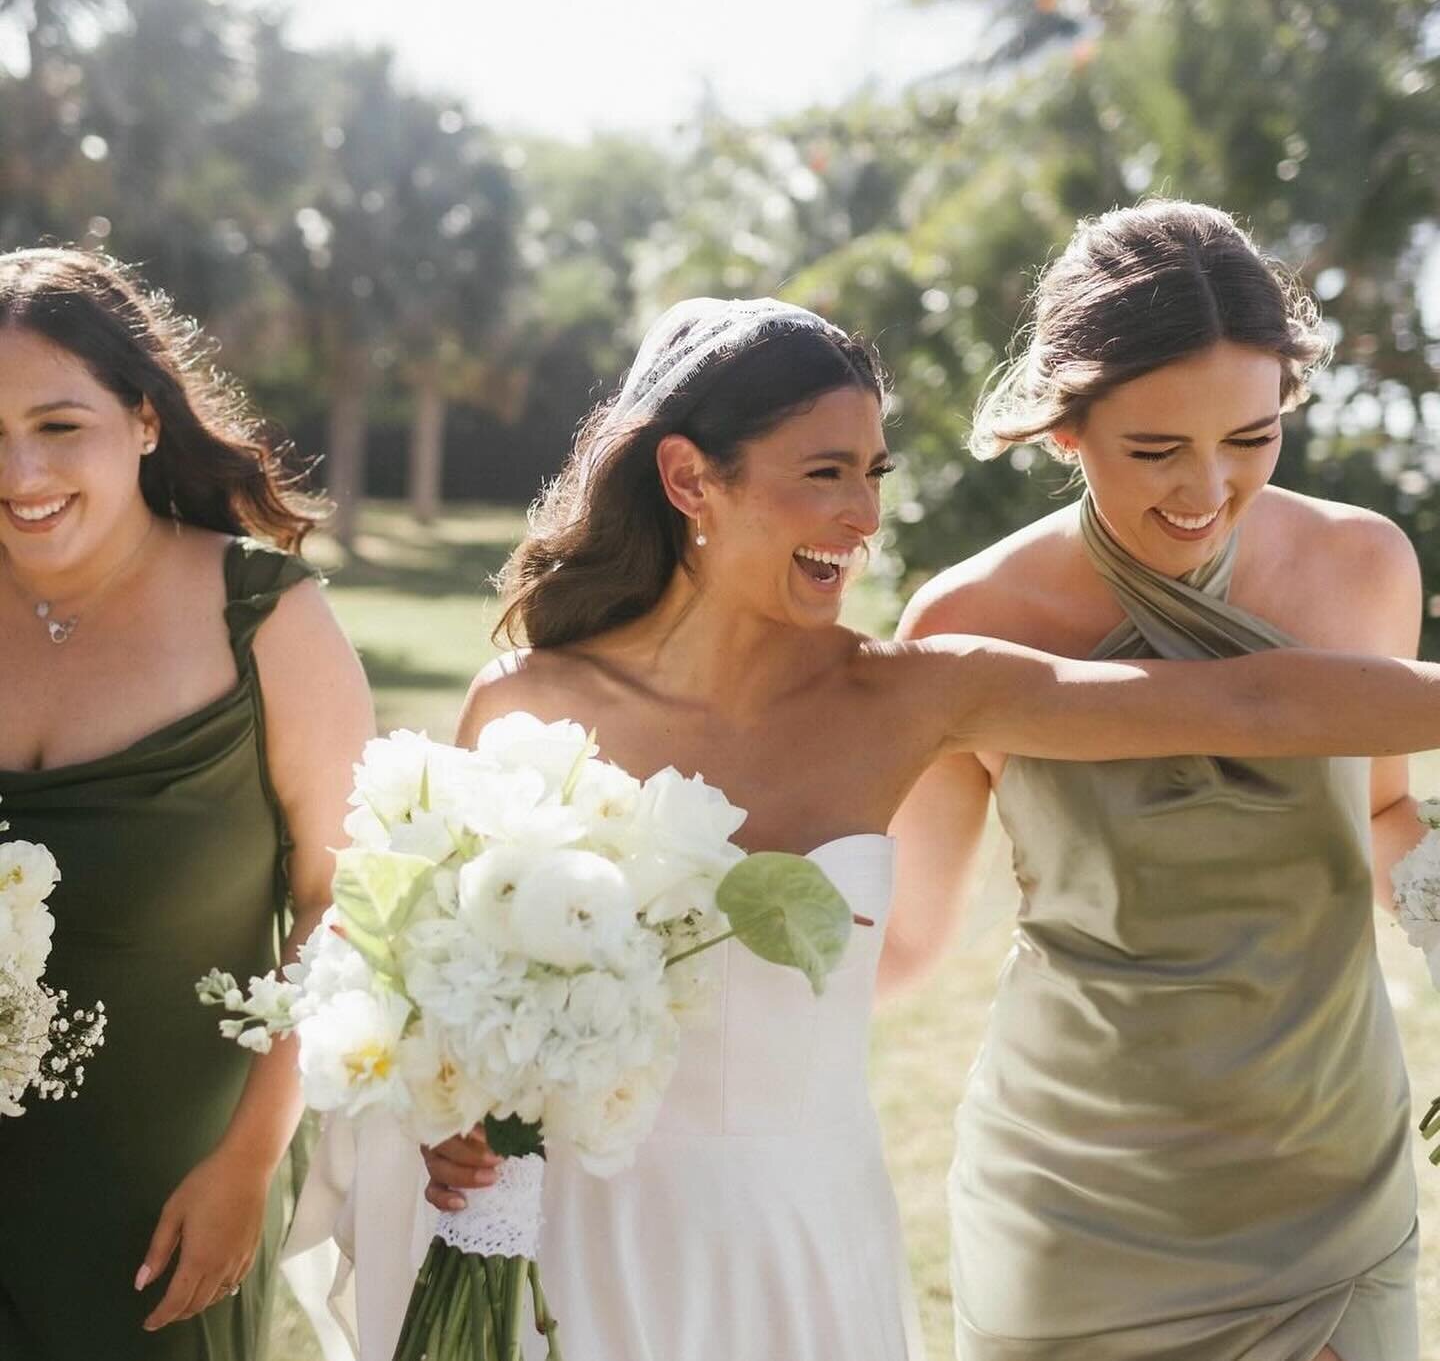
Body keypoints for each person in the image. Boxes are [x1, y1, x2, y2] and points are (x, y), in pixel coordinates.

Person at [313, 293, 1440, 1361]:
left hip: (802, 1235)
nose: (864, 517)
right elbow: (425, 984)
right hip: (580, 1235)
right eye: (825, 475)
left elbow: (1257, 701)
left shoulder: (912, 693)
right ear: (688, 479)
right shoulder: (524, 706)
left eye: (873, 474)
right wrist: (446, 1115)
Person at [885, 200, 1424, 1361]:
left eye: (1251, 437)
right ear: (1066, 429)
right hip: (1076, 1198)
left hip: (1325, 1179)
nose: (1207, 490)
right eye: (1156, 448)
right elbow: (904, 938)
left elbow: (1382, 806)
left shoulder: (1362, 565)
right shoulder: (971, 619)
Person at [0, 248, 373, 1361]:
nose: (20, 471)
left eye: (60, 426)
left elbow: (344, 902)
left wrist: (252, 1158)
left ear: (146, 422)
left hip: (164, 1213)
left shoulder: (265, 620)